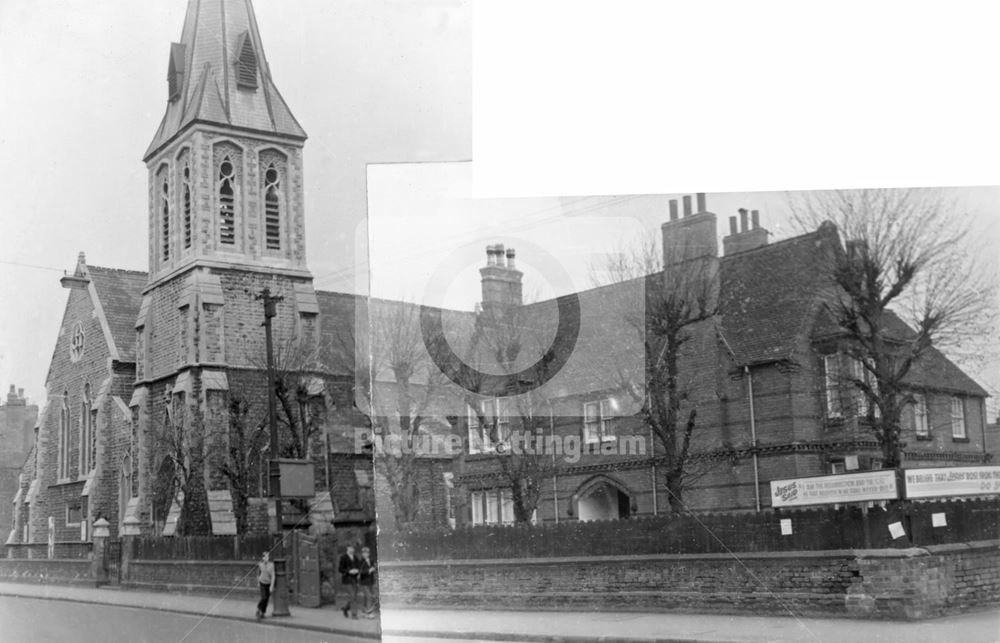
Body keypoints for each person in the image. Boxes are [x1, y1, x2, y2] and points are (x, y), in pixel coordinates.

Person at [338, 544, 361, 619]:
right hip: (347, 579)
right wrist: (349, 571)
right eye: (351, 548)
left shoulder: (355, 557)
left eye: (353, 548)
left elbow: (359, 566)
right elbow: (340, 569)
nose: (352, 549)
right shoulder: (343, 557)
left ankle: (345, 608)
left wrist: (357, 571)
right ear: (347, 548)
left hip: (354, 579)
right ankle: (354, 615)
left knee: (353, 597)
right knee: (353, 596)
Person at [358, 546, 377, 619]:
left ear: (369, 554)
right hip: (363, 582)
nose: (365, 554)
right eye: (364, 553)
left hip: (371, 582)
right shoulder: (360, 561)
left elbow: (374, 569)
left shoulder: (371, 560)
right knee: (369, 597)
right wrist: (369, 571)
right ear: (362, 554)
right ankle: (369, 614)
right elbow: (360, 572)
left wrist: (374, 568)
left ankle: (364, 612)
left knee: (366, 598)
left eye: (367, 553)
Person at [256, 551, 275, 620]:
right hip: (262, 583)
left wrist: (271, 586)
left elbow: (273, 576)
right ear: (263, 558)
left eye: (267, 556)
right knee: (263, 597)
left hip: (268, 584)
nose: (266, 558)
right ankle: (258, 608)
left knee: (266, 599)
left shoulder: (271, 565)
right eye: (265, 557)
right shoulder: (260, 564)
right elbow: (258, 574)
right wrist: (258, 582)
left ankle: (263, 613)